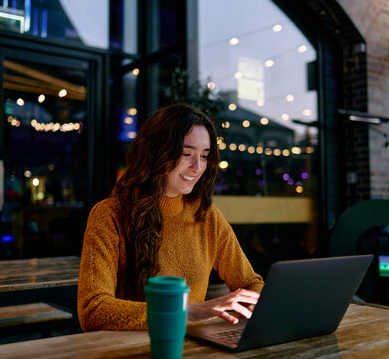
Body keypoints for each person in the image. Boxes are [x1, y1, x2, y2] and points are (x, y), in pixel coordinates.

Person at [78, 103, 263, 331]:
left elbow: (250, 283)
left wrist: (252, 304)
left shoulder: (206, 216)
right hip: (134, 350)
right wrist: (186, 313)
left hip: (193, 347)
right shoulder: (109, 215)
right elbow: (93, 310)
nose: (197, 167)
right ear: (157, 152)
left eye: (204, 156)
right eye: (186, 154)